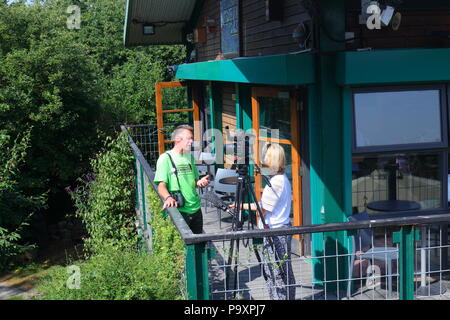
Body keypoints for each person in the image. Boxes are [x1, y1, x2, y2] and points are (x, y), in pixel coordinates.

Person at [231, 143, 296, 300]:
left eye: (266, 160)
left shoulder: (276, 182)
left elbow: (263, 209)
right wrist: (241, 206)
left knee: (276, 272)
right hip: (278, 229)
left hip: (275, 231)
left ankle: (280, 298)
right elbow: (264, 206)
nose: (263, 164)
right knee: (279, 270)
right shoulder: (280, 179)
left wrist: (241, 206)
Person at [153, 125, 210, 234]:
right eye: (189, 138)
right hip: (180, 211)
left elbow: (193, 181)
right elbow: (161, 186)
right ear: (177, 139)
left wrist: (199, 182)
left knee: (199, 245)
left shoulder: (189, 157)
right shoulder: (165, 158)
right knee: (185, 248)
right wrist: (168, 198)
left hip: (196, 209)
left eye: (192, 138)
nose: (192, 142)